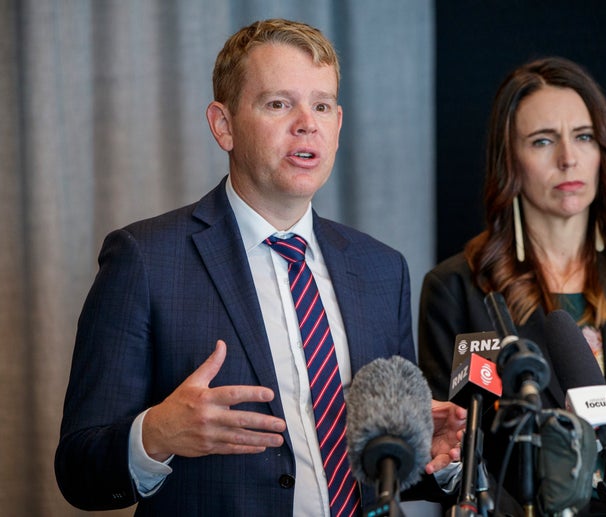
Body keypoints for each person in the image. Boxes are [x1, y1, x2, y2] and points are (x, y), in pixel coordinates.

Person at [55, 18, 466, 516]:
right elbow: (79, 473)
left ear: (337, 124)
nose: (306, 122)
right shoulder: (145, 259)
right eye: (278, 103)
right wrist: (158, 434)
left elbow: (385, 475)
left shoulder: (382, 270)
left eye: (321, 105)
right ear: (223, 125)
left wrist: (433, 458)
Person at [418, 56, 606, 513]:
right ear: (510, 160)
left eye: (583, 136)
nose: (568, 158)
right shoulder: (457, 288)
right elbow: (452, 457)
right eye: (543, 141)